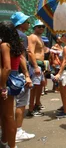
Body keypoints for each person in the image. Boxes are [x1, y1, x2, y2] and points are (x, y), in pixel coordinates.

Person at [0, 21, 31, 148]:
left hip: (5, 80)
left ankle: (11, 145)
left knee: (7, 116)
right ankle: (4, 141)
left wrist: (2, 86)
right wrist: (27, 75)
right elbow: (21, 60)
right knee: (5, 115)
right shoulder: (16, 44)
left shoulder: (4, 45)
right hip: (13, 78)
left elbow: (6, 68)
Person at [10, 12, 35, 142]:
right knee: (21, 103)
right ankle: (18, 131)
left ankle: (7, 130)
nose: (28, 24)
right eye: (26, 21)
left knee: (8, 104)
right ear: (21, 23)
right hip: (19, 74)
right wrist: (27, 75)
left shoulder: (8, 35)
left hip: (9, 74)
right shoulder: (21, 36)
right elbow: (22, 56)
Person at [27, 20, 46, 117]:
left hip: (40, 64)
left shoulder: (40, 38)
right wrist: (35, 66)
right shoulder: (33, 37)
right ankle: (31, 109)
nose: (41, 28)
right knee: (34, 87)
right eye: (39, 26)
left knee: (40, 86)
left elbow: (42, 50)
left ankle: (36, 105)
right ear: (34, 28)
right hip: (36, 65)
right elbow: (30, 52)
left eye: (43, 27)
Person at [53, 34, 66, 118]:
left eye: (62, 36)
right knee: (63, 92)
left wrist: (59, 73)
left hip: (65, 71)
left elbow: (65, 61)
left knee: (64, 93)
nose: (60, 37)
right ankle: (64, 107)